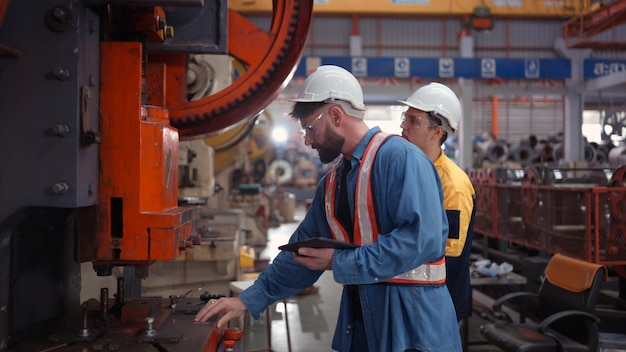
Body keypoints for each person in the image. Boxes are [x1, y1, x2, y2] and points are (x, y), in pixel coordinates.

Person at [195, 66, 462, 352]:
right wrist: (249, 298)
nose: (307, 140)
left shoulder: (402, 159)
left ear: (336, 116)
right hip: (363, 322)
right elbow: (301, 251)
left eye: (311, 128)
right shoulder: (334, 181)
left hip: (413, 325)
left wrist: (340, 262)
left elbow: (422, 240)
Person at [398, 82, 476, 325]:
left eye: (414, 120)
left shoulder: (452, 184)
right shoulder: (405, 170)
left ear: (437, 131)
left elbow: (448, 252)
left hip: (439, 306)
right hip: (409, 297)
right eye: (405, 118)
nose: (403, 125)